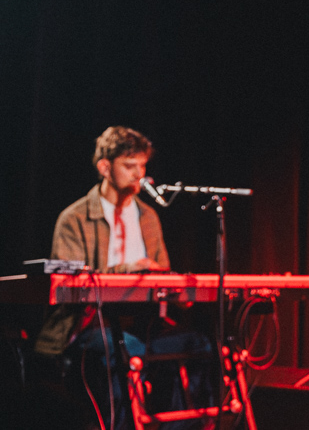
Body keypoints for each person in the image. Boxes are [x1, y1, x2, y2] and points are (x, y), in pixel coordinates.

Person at [31, 127, 209, 429]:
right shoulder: (74, 218)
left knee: (199, 345)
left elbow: (161, 274)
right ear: (104, 167)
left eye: (142, 165)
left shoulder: (148, 217)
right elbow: (69, 284)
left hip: (143, 324)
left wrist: (178, 289)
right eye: (129, 165)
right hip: (88, 324)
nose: (139, 173)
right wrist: (129, 270)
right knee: (127, 351)